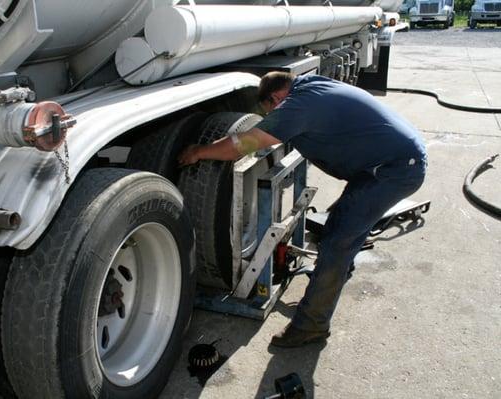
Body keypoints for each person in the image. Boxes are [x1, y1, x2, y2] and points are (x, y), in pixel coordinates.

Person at [178, 72, 427, 348]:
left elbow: (243, 144)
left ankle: (311, 326)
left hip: (394, 170)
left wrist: (199, 151)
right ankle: (337, 272)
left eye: (269, 110)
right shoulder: (315, 85)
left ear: (275, 97)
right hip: (391, 160)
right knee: (345, 224)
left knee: (336, 241)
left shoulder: (298, 105)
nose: (272, 116)